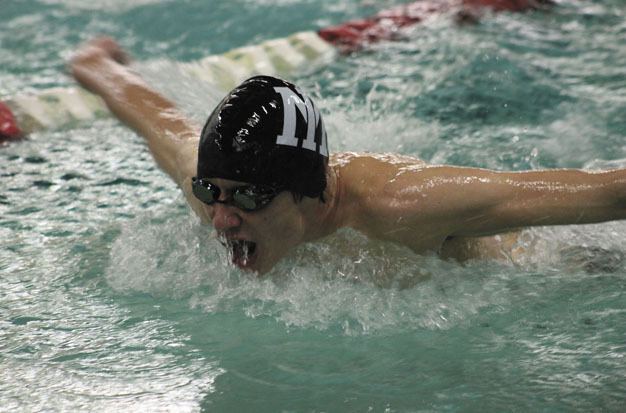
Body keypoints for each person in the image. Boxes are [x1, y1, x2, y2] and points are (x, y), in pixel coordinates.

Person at [70, 38, 626, 274]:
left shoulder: (401, 205)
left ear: (306, 191)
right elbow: (152, 115)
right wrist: (97, 64)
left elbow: (602, 191)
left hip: (545, 263)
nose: (220, 219)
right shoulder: (216, 188)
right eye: (210, 193)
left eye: (247, 198)